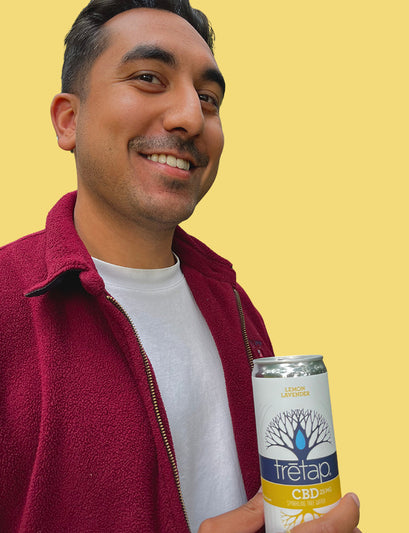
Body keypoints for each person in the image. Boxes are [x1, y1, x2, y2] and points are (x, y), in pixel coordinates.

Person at [0, 1, 361, 532]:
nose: (191, 117)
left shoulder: (235, 305)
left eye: (208, 98)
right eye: (149, 78)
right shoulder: (7, 305)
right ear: (68, 120)